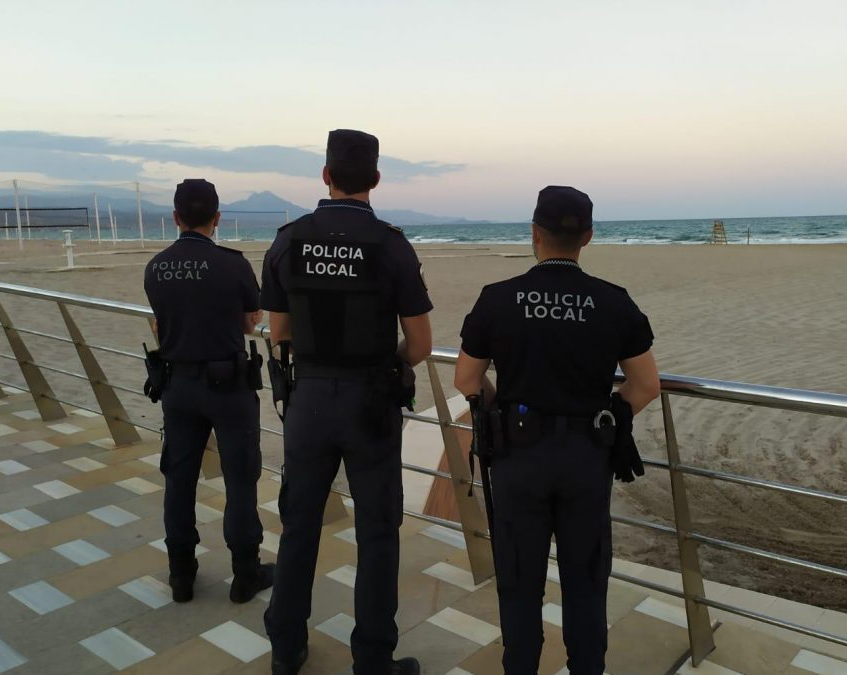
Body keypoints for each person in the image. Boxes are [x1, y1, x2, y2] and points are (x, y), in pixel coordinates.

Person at [454, 186, 660, 675]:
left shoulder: (498, 299)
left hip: (517, 455)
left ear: (534, 233)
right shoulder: (613, 302)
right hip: (586, 456)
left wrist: (497, 407)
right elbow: (645, 385)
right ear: (587, 237)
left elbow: (465, 379)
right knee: (586, 581)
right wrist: (608, 414)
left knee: (519, 581)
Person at [260, 129, 433, 675]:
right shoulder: (391, 244)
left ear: (326, 176)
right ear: (376, 180)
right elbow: (422, 345)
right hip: (371, 404)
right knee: (377, 533)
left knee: (299, 526)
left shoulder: (288, 240)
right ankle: (373, 659)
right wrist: (388, 361)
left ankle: (286, 649)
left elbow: (279, 334)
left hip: (308, 400)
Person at [143, 178, 274, 604]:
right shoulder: (233, 265)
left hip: (177, 385)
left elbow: (160, 325)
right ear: (217, 219)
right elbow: (250, 323)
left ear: (176, 218)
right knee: (240, 478)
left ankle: (181, 574)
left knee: (178, 479)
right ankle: (244, 573)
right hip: (228, 385)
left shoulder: (156, 267)